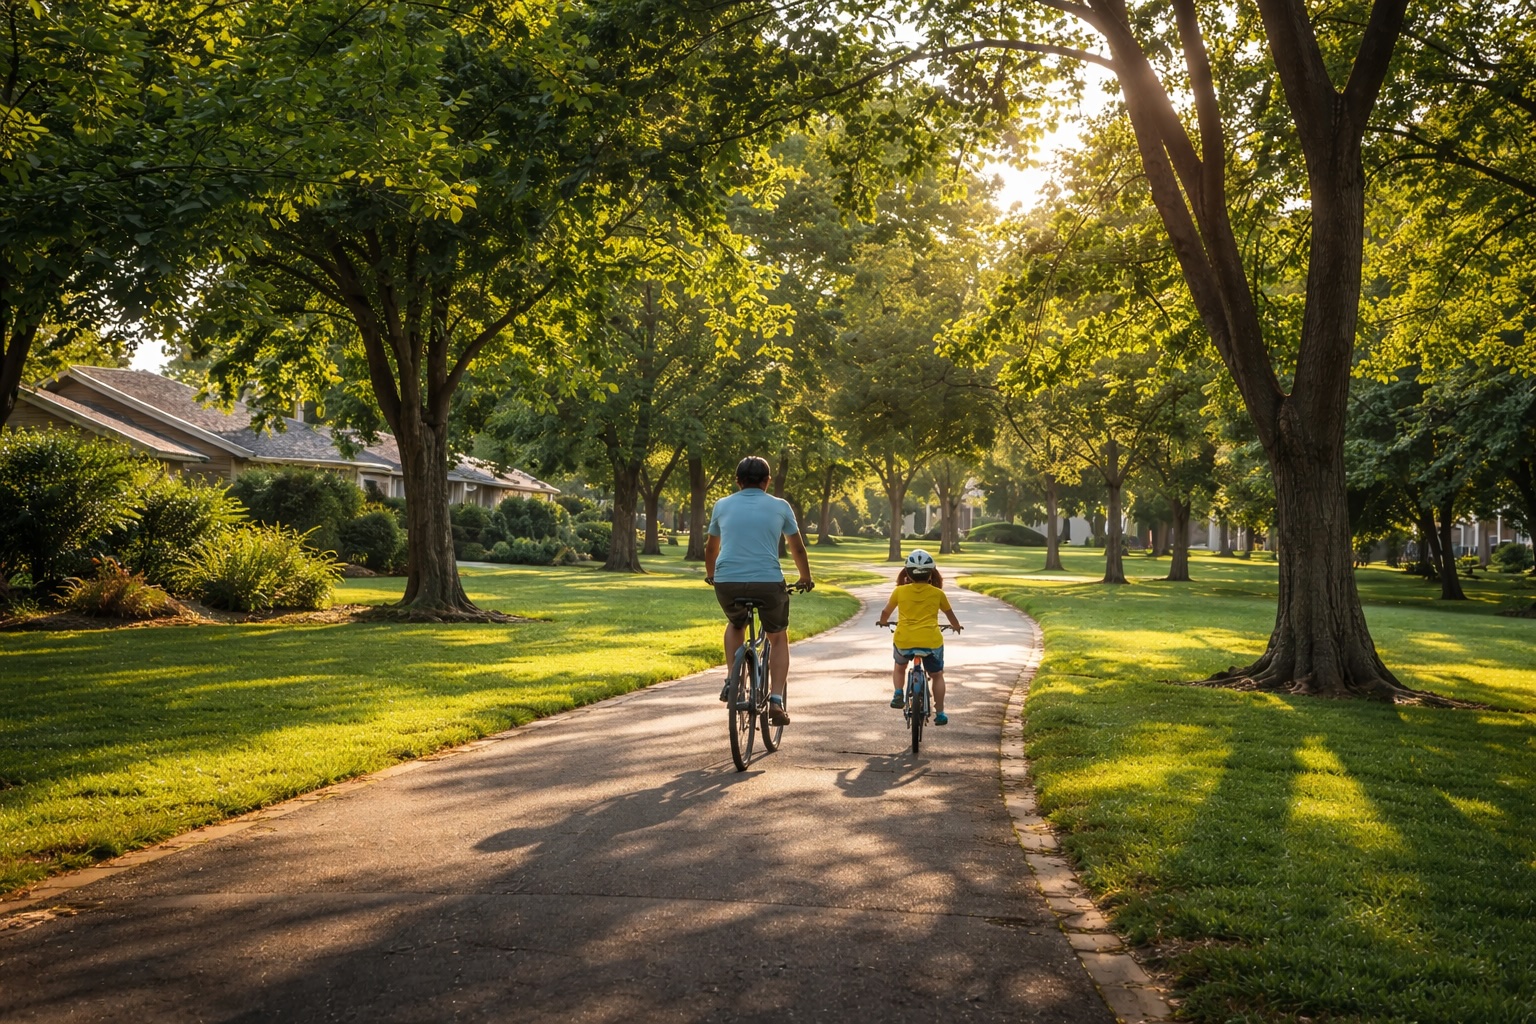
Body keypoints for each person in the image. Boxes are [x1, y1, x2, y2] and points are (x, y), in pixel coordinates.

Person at [704, 455, 814, 725]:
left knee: (736, 624)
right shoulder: (780, 506)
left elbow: (711, 548)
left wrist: (711, 575)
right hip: (767, 582)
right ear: (767, 481)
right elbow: (796, 547)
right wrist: (805, 577)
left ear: (737, 481)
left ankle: (732, 680)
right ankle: (776, 700)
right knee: (778, 637)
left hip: (727, 580)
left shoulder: (722, 505)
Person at [876, 549, 963, 725]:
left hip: (904, 640)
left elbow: (885, 612)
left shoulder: (899, 592)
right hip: (931, 642)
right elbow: (950, 615)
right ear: (931, 574)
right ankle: (940, 712)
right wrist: (955, 626)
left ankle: (898, 693)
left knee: (900, 667)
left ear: (907, 573)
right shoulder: (938, 594)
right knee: (937, 675)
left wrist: (883, 622)